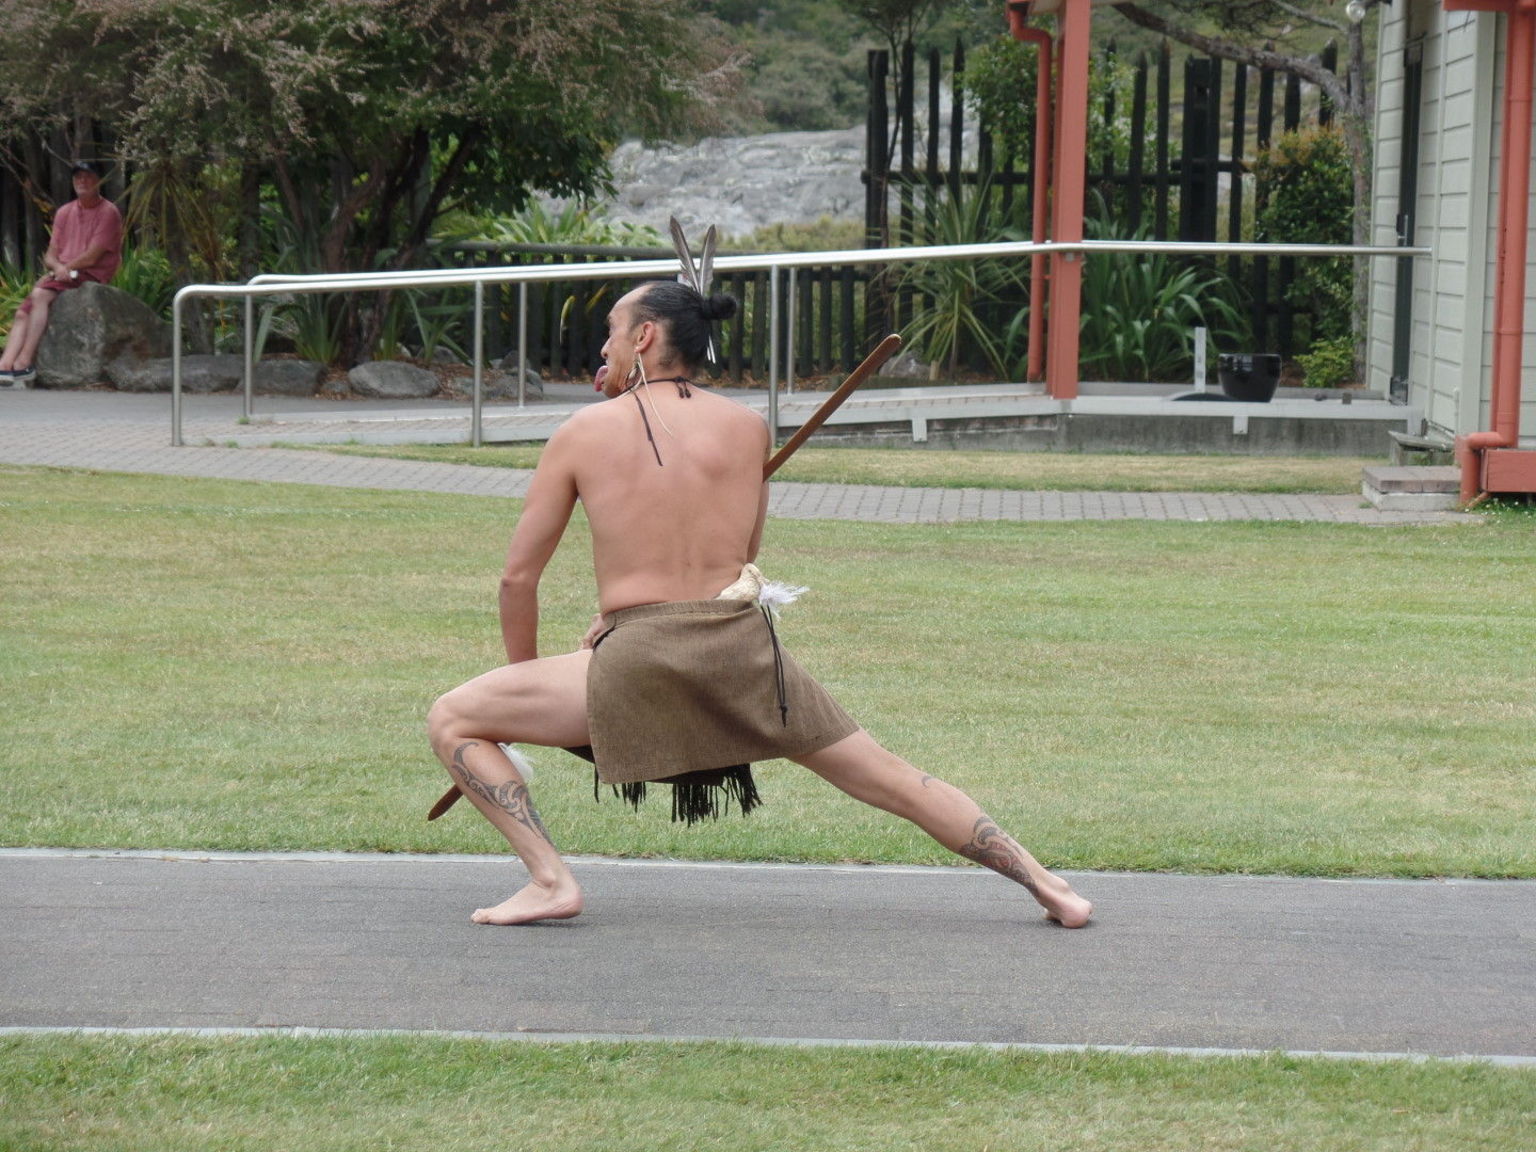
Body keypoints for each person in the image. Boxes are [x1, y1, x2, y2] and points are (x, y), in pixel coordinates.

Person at [425, 279, 1093, 930]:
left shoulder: (582, 430)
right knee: (889, 777)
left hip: (643, 660)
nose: (604, 351)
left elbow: (518, 579)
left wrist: (521, 683)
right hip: (747, 656)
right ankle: (1049, 885)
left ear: (647, 337)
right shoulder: (748, 427)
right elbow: (741, 561)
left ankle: (549, 880)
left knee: (454, 718)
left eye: (611, 335)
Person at [0, 161, 123, 385]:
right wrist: (59, 269)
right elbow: (49, 255)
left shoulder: (108, 212)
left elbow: (93, 257)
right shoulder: (65, 212)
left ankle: (24, 363)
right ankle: (5, 367)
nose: (82, 181)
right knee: (21, 313)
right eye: (78, 177)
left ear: (99, 181)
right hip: (63, 275)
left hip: (90, 274)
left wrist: (67, 268)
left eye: (88, 176)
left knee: (39, 296)